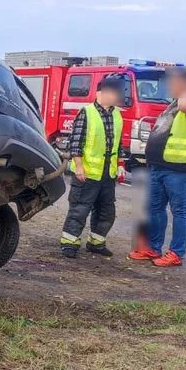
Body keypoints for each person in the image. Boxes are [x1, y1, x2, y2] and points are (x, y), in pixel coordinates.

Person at [128, 67, 186, 267]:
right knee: (154, 208)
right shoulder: (173, 105)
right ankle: (153, 248)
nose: (170, 87)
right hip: (160, 166)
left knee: (180, 211)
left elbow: (185, 106)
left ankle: (176, 253)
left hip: (181, 169)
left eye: (174, 83)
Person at [60, 74, 124, 258]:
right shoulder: (87, 112)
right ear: (101, 93)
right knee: (80, 209)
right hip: (87, 173)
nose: (117, 97)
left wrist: (120, 164)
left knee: (106, 210)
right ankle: (69, 244)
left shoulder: (117, 114)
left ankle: (96, 242)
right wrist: (78, 166)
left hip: (107, 173)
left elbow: (118, 143)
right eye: (114, 93)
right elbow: (76, 142)